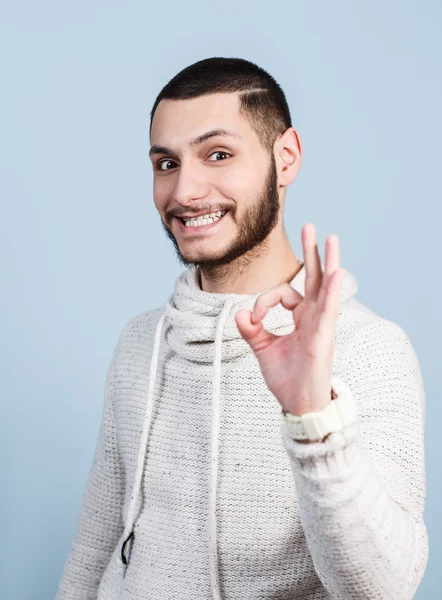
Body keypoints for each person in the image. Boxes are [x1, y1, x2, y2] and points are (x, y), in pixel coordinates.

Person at [55, 57, 428, 600]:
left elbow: (382, 587)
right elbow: (96, 545)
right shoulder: (142, 341)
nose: (184, 192)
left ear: (286, 158)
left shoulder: (372, 349)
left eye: (219, 155)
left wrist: (312, 416)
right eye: (166, 163)